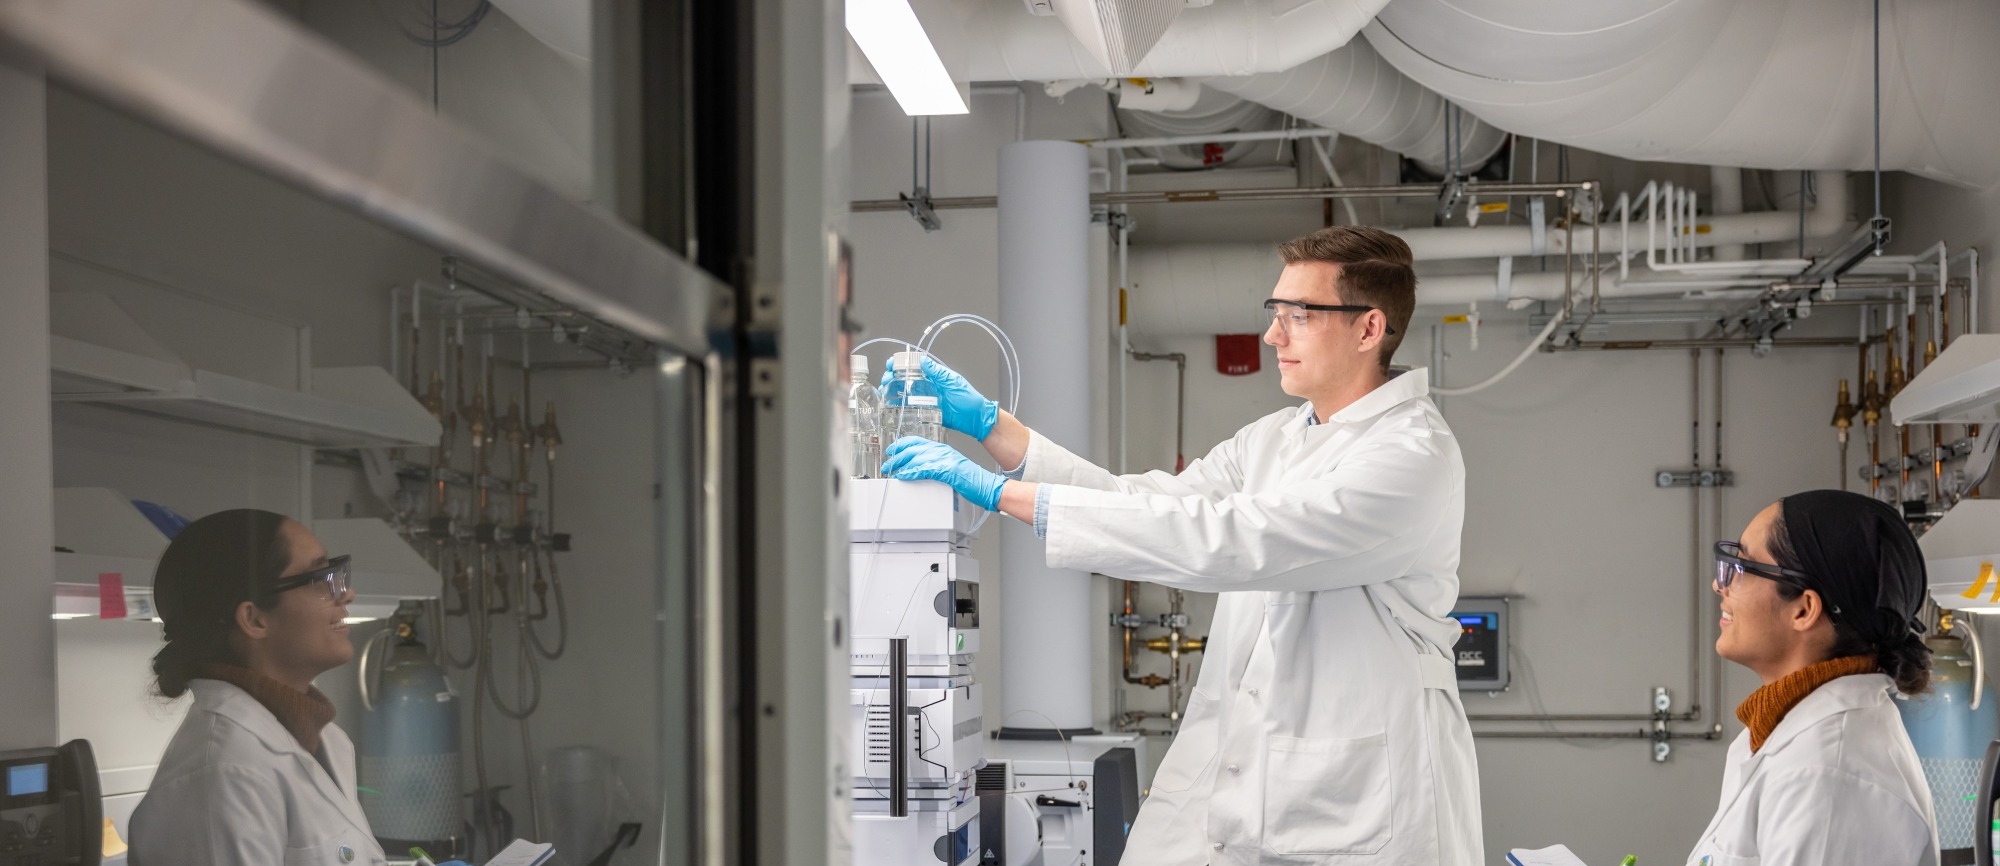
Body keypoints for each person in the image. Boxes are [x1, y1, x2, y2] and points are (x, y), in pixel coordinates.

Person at [882, 226, 1482, 865]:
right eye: (1274, 314)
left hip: (1361, 801)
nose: (1273, 336)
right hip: (1249, 783)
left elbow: (1234, 541)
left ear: (1368, 329)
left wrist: (1001, 496)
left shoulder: (1411, 458)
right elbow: (1151, 504)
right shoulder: (1275, 439)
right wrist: (995, 429)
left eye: (1299, 316)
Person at [1688, 490, 1939, 866]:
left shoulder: (1829, 777)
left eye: (1740, 568)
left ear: (1804, 609)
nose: (1719, 585)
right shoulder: (1789, 733)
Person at [129, 509, 384, 866]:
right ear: (254, 619)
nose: (347, 593)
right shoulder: (223, 775)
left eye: (336, 574)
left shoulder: (318, 738)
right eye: (319, 578)